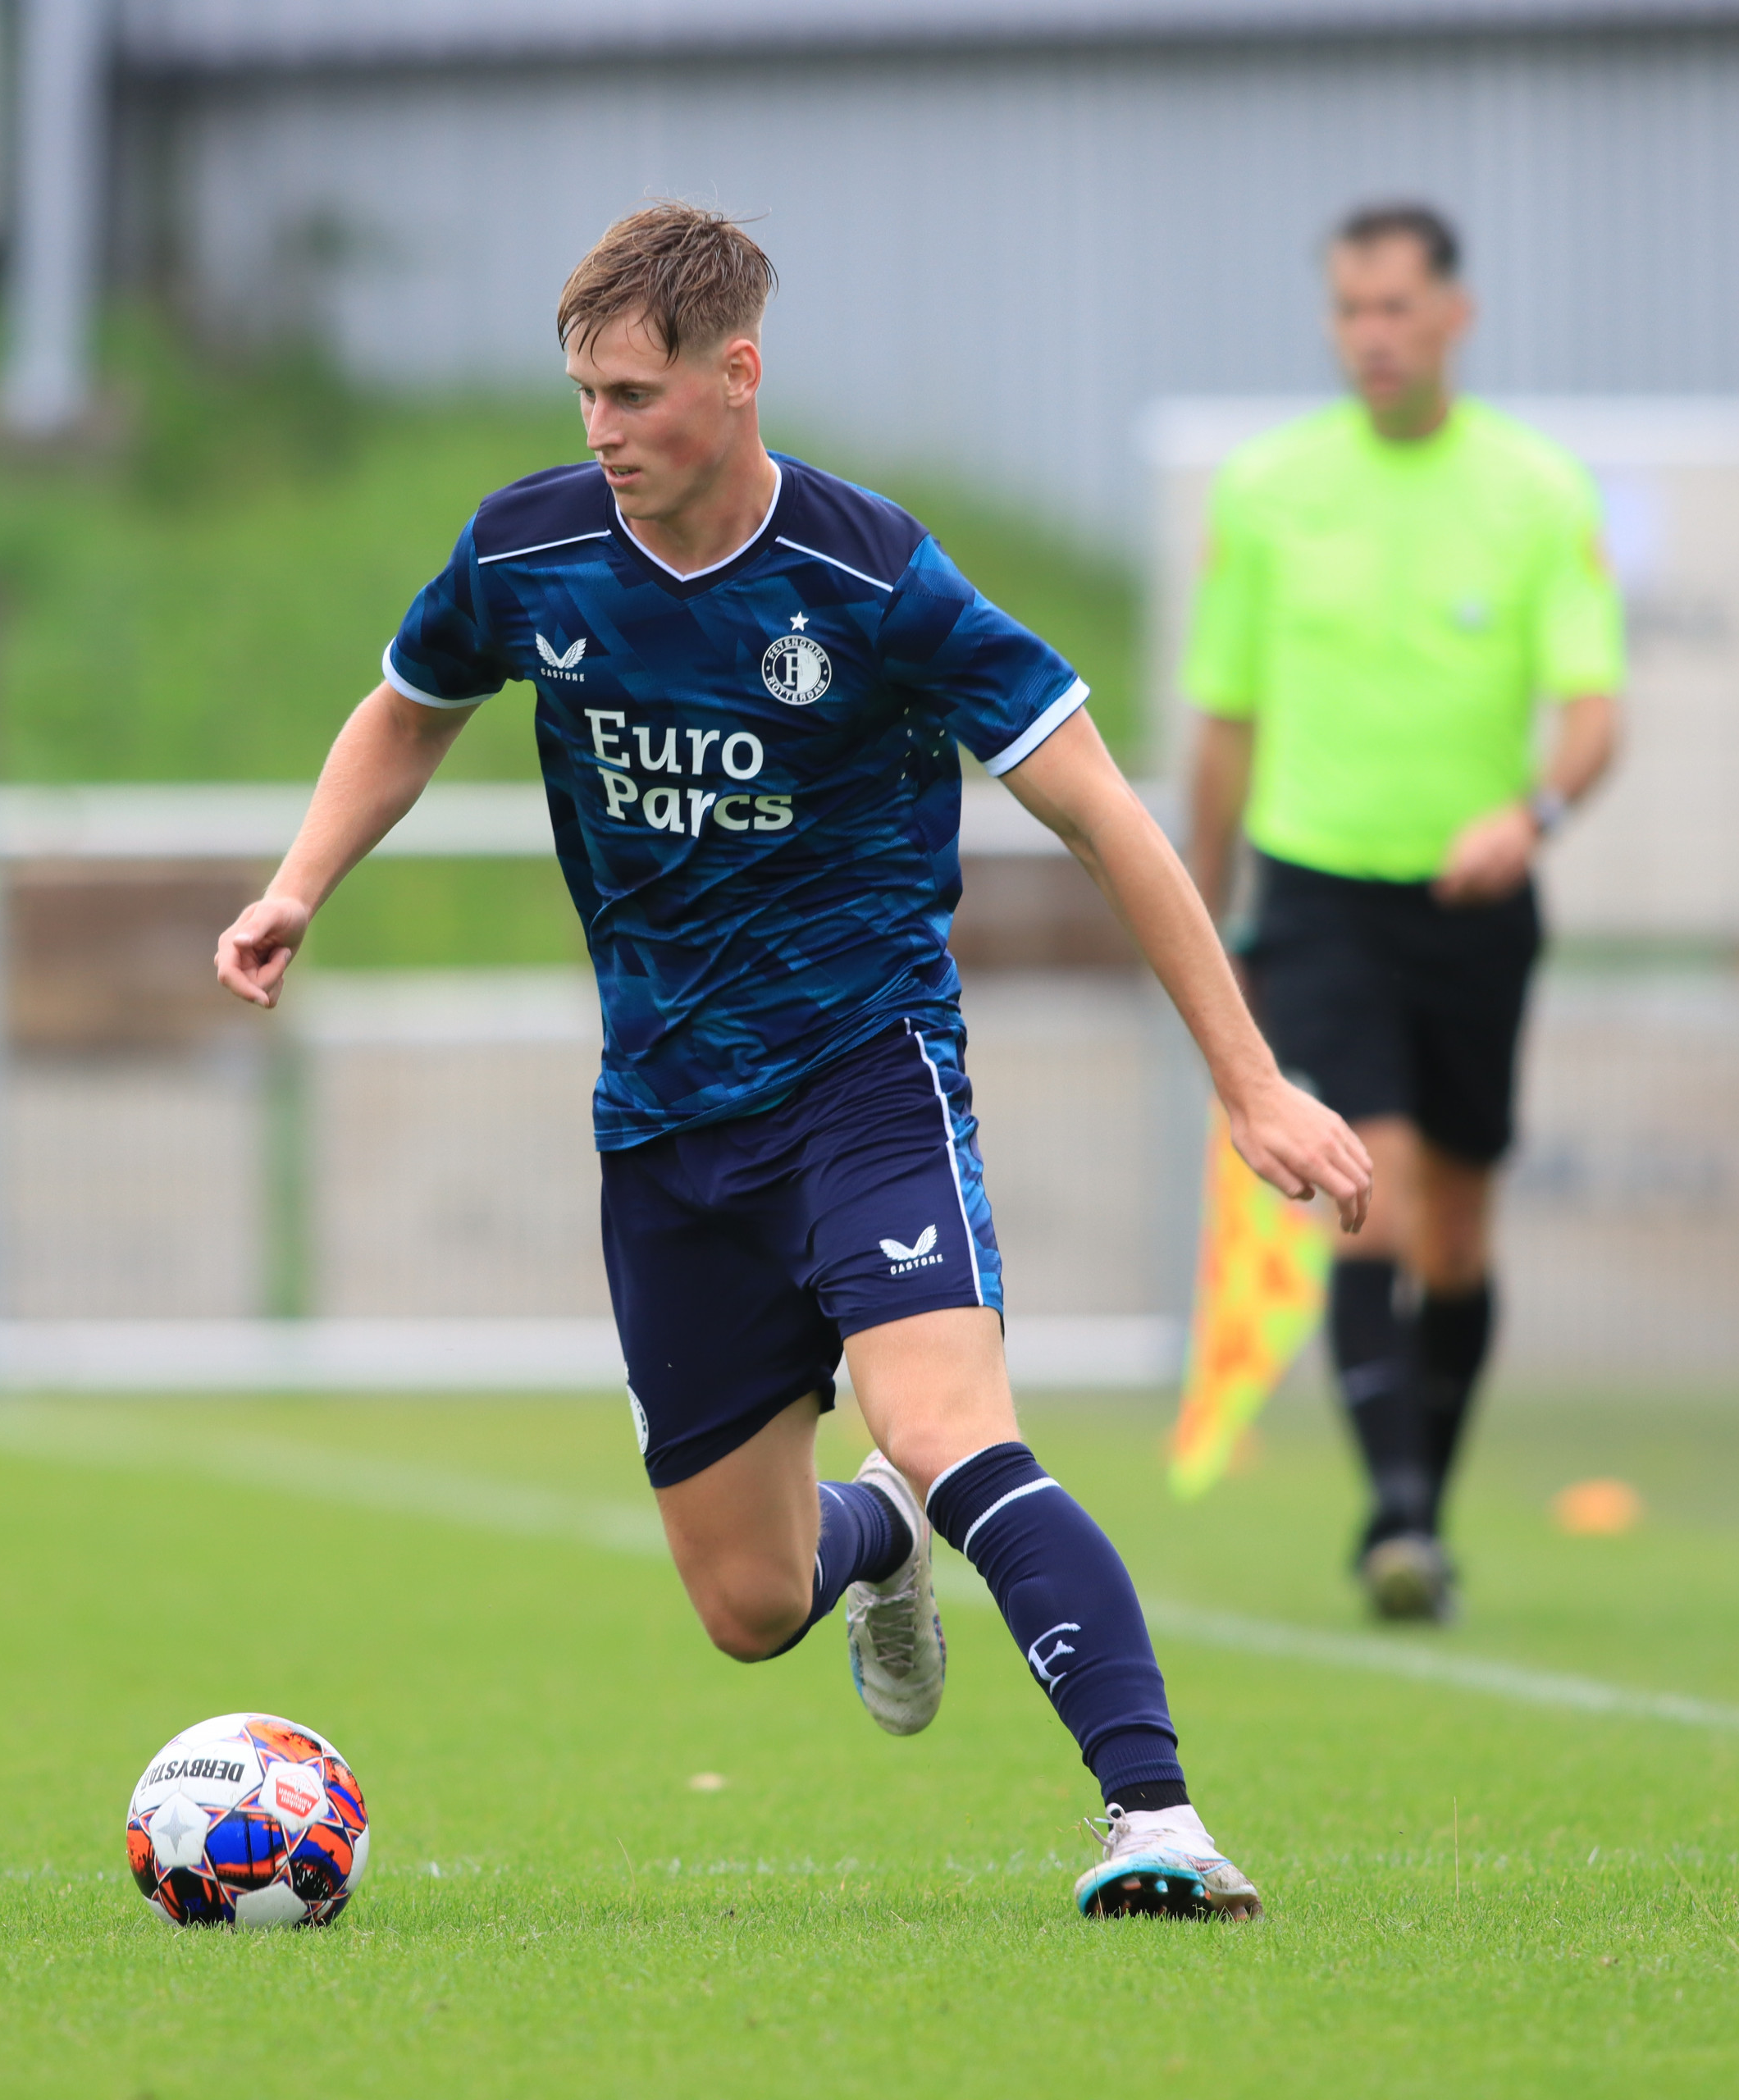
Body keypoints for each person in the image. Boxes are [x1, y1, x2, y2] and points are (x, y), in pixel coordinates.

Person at [214, 203, 1370, 1920]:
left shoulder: (876, 581)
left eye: (631, 393)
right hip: (665, 1123)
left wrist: (1252, 1076)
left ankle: (1157, 1820)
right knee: (751, 1602)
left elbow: (1108, 814)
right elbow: (409, 702)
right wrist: (301, 879)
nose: (599, 431)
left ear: (735, 375)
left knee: (951, 1421)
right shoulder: (529, 552)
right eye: (584, 394)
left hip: (864, 1077)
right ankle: (879, 1538)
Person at [1179, 202, 1624, 1623]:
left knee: (1460, 1236)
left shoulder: (1537, 492)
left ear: (1453, 317)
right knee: (1371, 1190)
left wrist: (1534, 815)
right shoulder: (1266, 491)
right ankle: (1398, 1516)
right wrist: (1201, 909)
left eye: (1394, 308)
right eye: (1349, 309)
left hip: (1475, 904)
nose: (1371, 335)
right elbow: (1226, 721)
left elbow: (1597, 714)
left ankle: (1424, 1494)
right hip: (1317, 894)